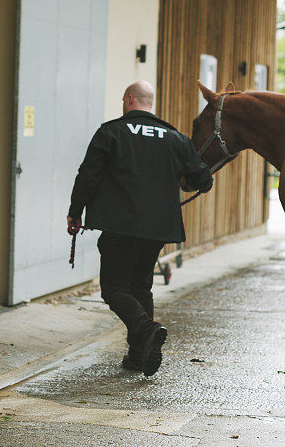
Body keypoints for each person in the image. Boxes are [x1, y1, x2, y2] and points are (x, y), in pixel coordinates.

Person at [67, 80, 213, 377]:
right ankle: (137, 356)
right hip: (158, 230)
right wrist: (187, 180)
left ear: (129, 99)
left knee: (114, 288)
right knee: (139, 287)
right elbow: (203, 178)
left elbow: (88, 175)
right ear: (151, 103)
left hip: (119, 225)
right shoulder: (176, 138)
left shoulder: (111, 132)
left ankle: (147, 329)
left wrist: (75, 211)